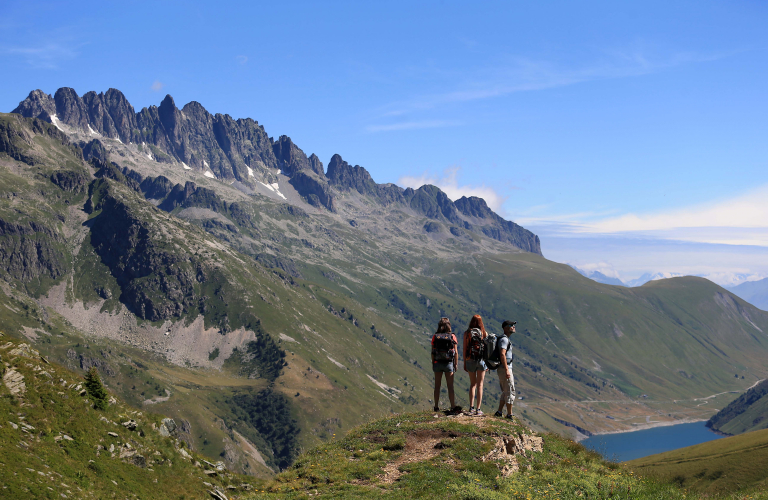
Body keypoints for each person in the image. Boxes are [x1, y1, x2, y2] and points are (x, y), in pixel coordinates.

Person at [431, 317, 460, 413]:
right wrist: (455, 364)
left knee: (437, 386)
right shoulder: (452, 336)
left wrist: (433, 362)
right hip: (448, 363)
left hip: (437, 363)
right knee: (450, 386)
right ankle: (452, 406)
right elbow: (455, 352)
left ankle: (436, 406)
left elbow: (433, 352)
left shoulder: (435, 336)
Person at [463, 314, 488, 416]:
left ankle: (471, 407)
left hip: (470, 360)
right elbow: (487, 349)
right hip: (481, 361)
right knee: (480, 385)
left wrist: (465, 362)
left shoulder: (467, 333)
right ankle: (478, 409)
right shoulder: (484, 333)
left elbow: (465, 349)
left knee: (473, 384)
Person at [494, 320, 516, 419]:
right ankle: (509, 414)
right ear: (506, 328)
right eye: (511, 325)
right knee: (510, 391)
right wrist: (507, 369)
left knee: (505, 391)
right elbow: (502, 353)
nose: (513, 327)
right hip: (505, 368)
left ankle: (499, 411)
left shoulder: (504, 339)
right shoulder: (504, 340)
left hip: (503, 368)